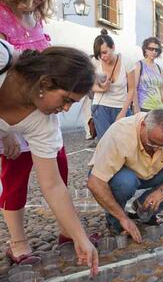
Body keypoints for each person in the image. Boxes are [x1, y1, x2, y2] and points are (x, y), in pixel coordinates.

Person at [0, 0, 82, 263]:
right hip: (9, 110)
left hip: (39, 108)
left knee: (58, 169)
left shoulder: (35, 18)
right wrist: (5, 132)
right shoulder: (0, 14)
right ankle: (18, 243)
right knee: (15, 179)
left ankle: (67, 230)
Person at [0, 41, 98, 273]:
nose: (66, 110)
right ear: (44, 83)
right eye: (66, 100)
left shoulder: (44, 122)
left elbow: (53, 185)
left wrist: (79, 237)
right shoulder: (2, 59)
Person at [87, 109, 163, 238]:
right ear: (143, 126)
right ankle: (116, 222)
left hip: (149, 172)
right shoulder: (120, 133)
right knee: (126, 182)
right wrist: (123, 218)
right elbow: (95, 182)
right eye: (152, 142)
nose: (156, 148)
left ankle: (145, 208)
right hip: (120, 175)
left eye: (162, 146)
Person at [91, 29, 135, 139]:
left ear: (113, 47)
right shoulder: (95, 62)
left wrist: (123, 112)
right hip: (101, 107)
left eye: (105, 52)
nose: (102, 57)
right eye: (99, 54)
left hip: (121, 106)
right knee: (105, 144)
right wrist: (101, 88)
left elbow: (132, 89)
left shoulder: (127, 62)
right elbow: (88, 84)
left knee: (124, 143)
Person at [134, 37, 163, 113]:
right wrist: (136, 108)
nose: (154, 52)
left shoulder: (159, 68)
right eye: (151, 49)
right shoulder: (139, 65)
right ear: (145, 50)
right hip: (144, 107)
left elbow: (162, 90)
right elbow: (134, 88)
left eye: (156, 50)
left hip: (158, 109)